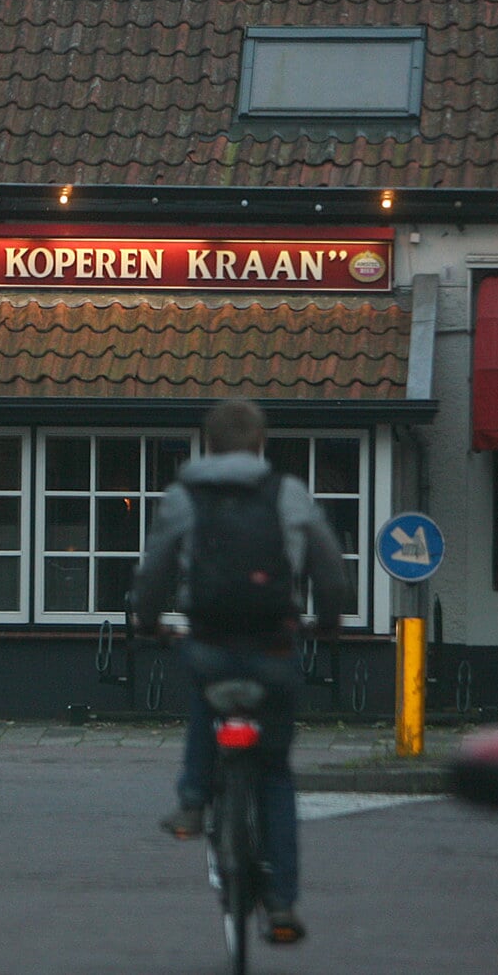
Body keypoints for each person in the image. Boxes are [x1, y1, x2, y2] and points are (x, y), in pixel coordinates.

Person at [131, 398, 354, 945]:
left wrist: (146, 621)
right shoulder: (289, 494)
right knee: (274, 773)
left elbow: (155, 567)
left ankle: (191, 801)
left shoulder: (183, 496)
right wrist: (327, 621)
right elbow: (328, 565)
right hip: (275, 647)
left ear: (208, 444)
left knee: (206, 697)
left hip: (207, 642)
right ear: (260, 444)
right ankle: (281, 905)